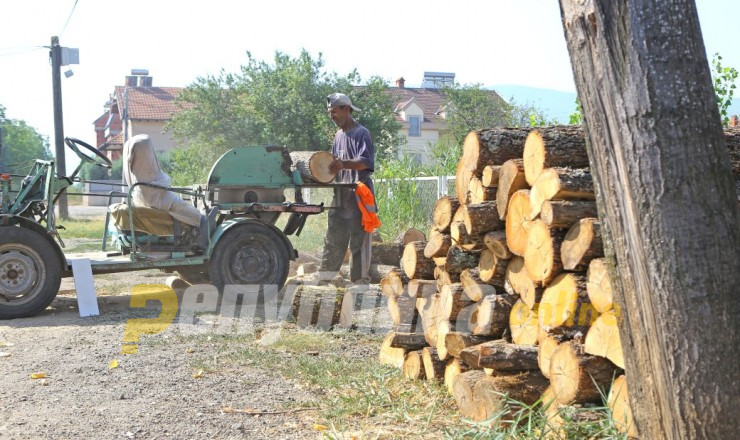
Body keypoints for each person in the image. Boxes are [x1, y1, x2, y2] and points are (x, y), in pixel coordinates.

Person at [318, 92, 376, 284]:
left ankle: (359, 282)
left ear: (346, 109)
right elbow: (335, 164)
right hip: (341, 193)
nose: (332, 116)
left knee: (358, 241)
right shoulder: (338, 136)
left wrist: (344, 164)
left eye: (334, 111)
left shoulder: (361, 133)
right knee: (333, 236)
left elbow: (366, 162)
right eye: (330, 113)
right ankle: (326, 277)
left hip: (359, 193)